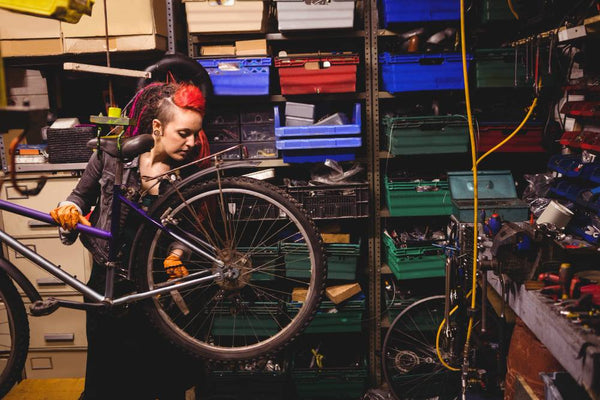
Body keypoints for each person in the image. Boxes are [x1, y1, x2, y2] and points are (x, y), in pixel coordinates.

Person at [50, 81, 210, 400]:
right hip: (107, 282)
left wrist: (177, 255)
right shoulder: (112, 157)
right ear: (157, 127)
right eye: (183, 133)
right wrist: (68, 209)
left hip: (156, 288)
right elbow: (81, 195)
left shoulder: (189, 172)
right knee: (108, 381)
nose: (192, 142)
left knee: (164, 382)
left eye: (196, 134)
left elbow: (192, 230)